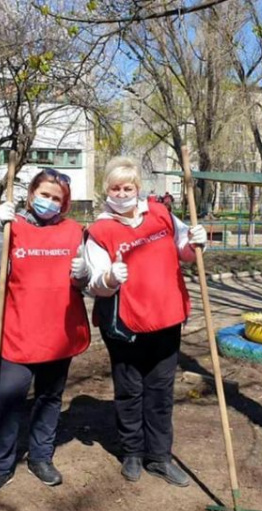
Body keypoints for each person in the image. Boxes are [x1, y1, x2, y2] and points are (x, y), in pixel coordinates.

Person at [84, 156, 207, 487]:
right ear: (106, 190)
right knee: (130, 391)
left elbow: (183, 249)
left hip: (167, 318)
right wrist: (109, 277)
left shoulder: (161, 214)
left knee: (161, 391)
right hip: (126, 325)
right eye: (115, 187)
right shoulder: (99, 230)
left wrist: (195, 241)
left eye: (128, 187)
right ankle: (133, 453)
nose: (122, 193)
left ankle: (160, 457)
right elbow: (93, 281)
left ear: (138, 188)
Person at [0, 168, 91, 497]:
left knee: (49, 399)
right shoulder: (16, 227)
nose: (49, 202)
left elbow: (87, 283)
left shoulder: (74, 232)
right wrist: (0, 229)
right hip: (19, 332)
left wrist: (84, 275)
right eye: (45, 195)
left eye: (57, 198)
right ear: (30, 195)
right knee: (8, 399)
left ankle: (40, 457)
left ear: (65, 203)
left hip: (59, 333)